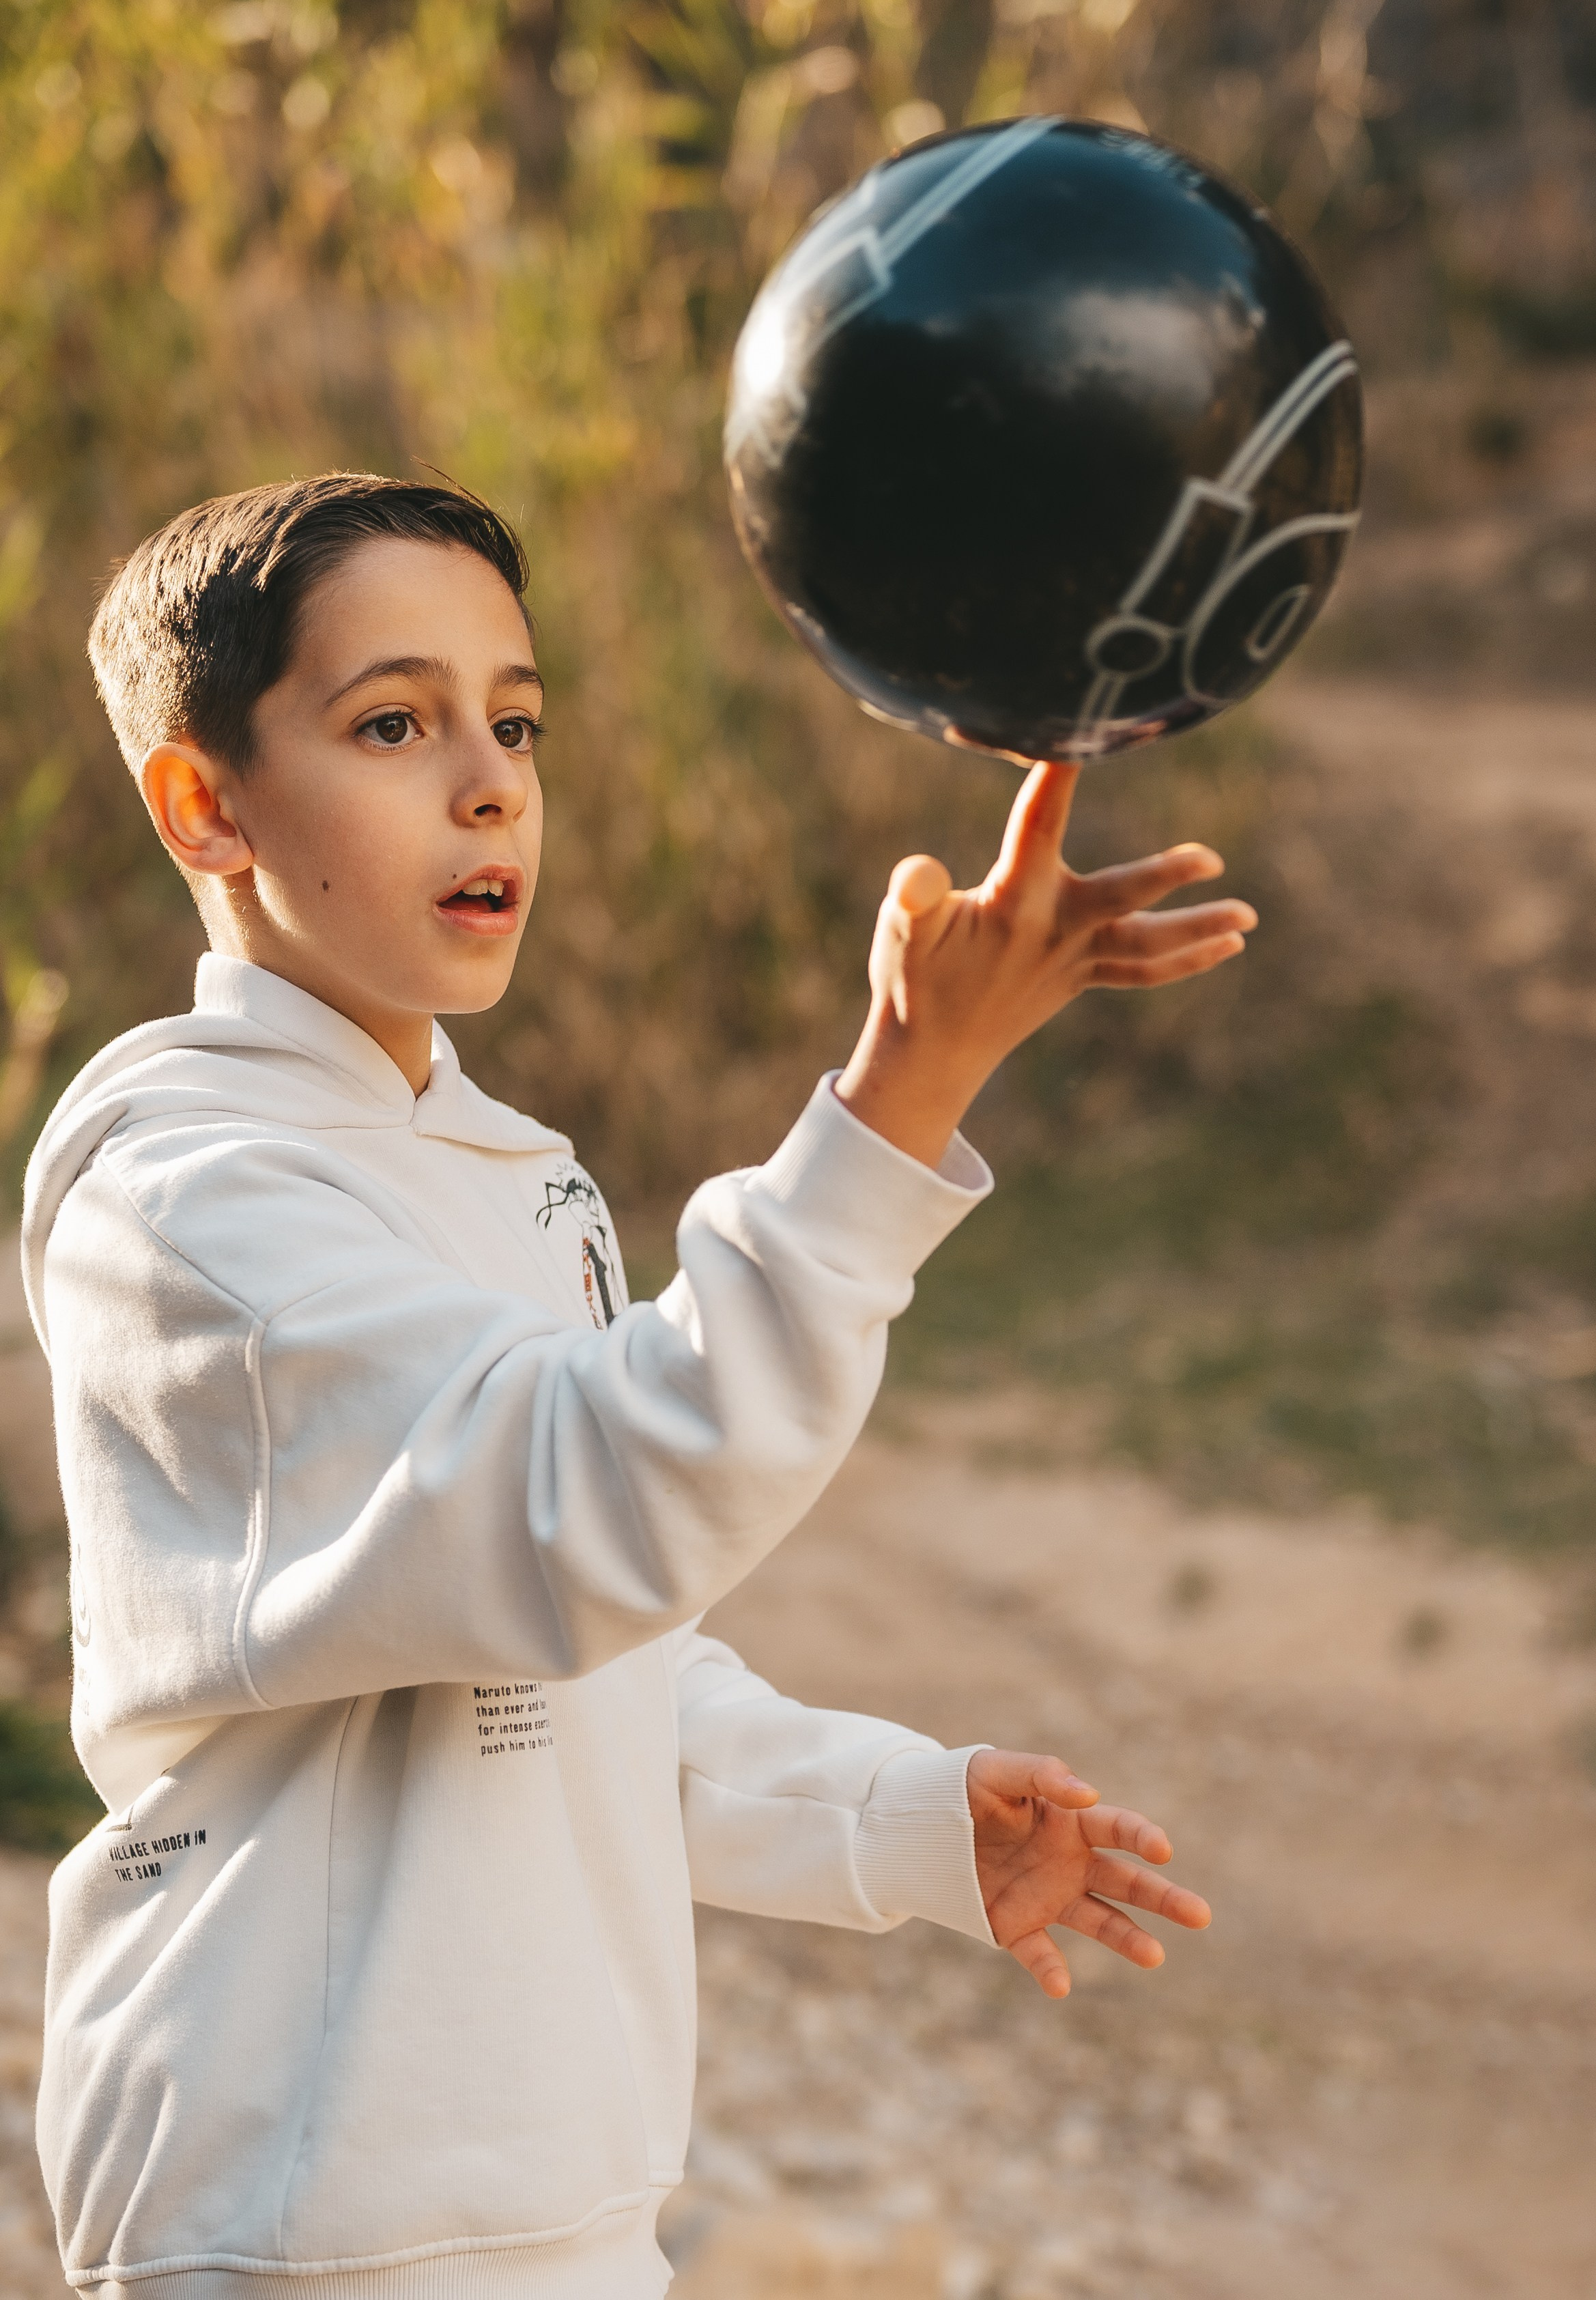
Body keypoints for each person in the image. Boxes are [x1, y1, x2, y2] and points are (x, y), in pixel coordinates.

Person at [22, 475, 1254, 2300]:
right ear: (205, 804)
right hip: (299, 2216)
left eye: (514, 720)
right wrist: (894, 1098)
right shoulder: (188, 1203)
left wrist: (906, 1818)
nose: (490, 779)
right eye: (392, 722)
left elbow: (588, 1676)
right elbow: (587, 1504)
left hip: (563, 2215)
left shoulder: (515, 1170)